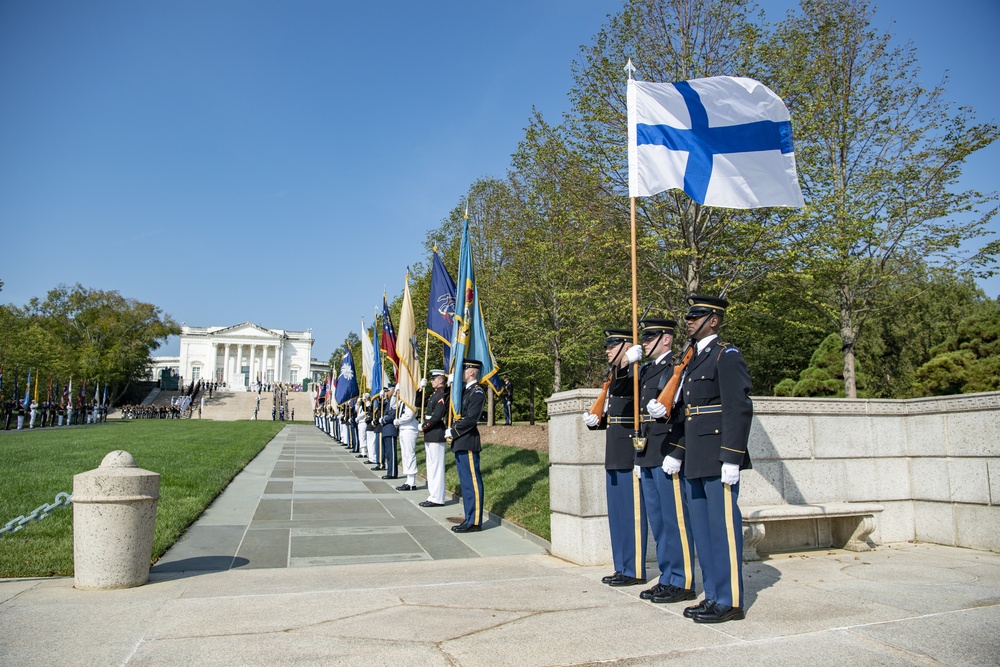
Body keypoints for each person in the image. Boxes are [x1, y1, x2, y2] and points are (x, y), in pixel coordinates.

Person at [670, 295, 753, 623]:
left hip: (719, 457)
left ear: (714, 320)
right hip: (696, 457)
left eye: (697, 316)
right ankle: (714, 595)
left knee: (722, 530)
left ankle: (730, 600)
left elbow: (739, 406)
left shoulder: (726, 355)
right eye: (689, 316)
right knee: (703, 531)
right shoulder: (692, 360)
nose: (689, 321)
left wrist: (732, 457)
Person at [630, 318, 696, 605]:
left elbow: (684, 413)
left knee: (674, 521)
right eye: (644, 338)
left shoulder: (677, 368)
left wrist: (678, 451)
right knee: (658, 522)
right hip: (648, 452)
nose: (644, 343)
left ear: (666, 339)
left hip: (667, 451)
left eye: (650, 337)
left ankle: (682, 581)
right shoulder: (646, 370)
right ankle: (668, 576)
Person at [583, 328, 647, 587]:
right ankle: (622, 565)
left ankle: (634, 569)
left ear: (627, 345)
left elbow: (635, 402)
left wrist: (630, 362)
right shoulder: (615, 372)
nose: (607, 350)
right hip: (614, 449)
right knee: (618, 514)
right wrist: (597, 421)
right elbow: (616, 410)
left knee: (631, 514)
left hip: (630, 450)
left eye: (612, 345)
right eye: (607, 346)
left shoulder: (636, 372)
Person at [445, 359, 486, 532]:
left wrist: (453, 431)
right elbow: (450, 408)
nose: (461, 372)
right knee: (465, 483)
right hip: (461, 441)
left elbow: (471, 419)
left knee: (472, 483)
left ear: (471, 371)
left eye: (463, 369)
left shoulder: (477, 393)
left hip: (467, 440)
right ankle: (469, 517)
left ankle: (475, 521)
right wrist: (450, 388)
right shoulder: (464, 391)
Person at [420, 369, 449, 507]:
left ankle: (437, 498)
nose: (431, 381)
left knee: (436, 468)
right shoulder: (434, 395)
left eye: (433, 379)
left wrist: (425, 426)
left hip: (436, 432)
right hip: (430, 434)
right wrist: (420, 389)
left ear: (440, 380)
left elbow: (437, 416)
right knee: (431, 467)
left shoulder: (442, 395)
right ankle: (433, 495)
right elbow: (418, 403)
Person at [394, 384, 420, 491]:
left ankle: (412, 481)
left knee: (409, 454)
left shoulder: (411, 400)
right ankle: (408, 480)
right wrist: (395, 394)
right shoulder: (402, 401)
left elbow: (410, 415)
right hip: (403, 429)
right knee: (405, 455)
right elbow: (393, 406)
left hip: (410, 429)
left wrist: (398, 421)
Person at [380, 386, 399, 480]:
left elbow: (392, 415)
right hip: (386, 429)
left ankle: (392, 473)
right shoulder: (390, 401)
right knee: (388, 453)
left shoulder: (395, 400)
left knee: (391, 453)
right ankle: (390, 472)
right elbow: (384, 409)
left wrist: (383, 419)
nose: (386, 392)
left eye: (388, 390)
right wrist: (383, 399)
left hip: (391, 429)